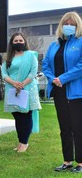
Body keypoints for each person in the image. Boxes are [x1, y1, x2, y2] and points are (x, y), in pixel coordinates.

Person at [42, 11, 82, 173]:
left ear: (78, 26)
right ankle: (67, 161)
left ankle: (80, 163)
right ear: (61, 26)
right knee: (64, 127)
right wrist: (53, 78)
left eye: (73, 24)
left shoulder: (80, 42)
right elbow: (45, 65)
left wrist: (63, 78)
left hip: (76, 92)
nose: (69, 26)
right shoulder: (54, 45)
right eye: (67, 23)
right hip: (59, 91)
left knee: (78, 127)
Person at [1, 32, 41, 153]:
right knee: (17, 116)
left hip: (27, 88)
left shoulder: (30, 55)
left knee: (26, 115)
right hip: (12, 89)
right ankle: (20, 142)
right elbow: (4, 74)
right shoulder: (8, 57)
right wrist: (14, 83)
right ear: (12, 43)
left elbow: (33, 72)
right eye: (16, 41)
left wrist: (22, 83)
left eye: (20, 40)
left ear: (24, 42)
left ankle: (24, 142)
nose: (18, 43)